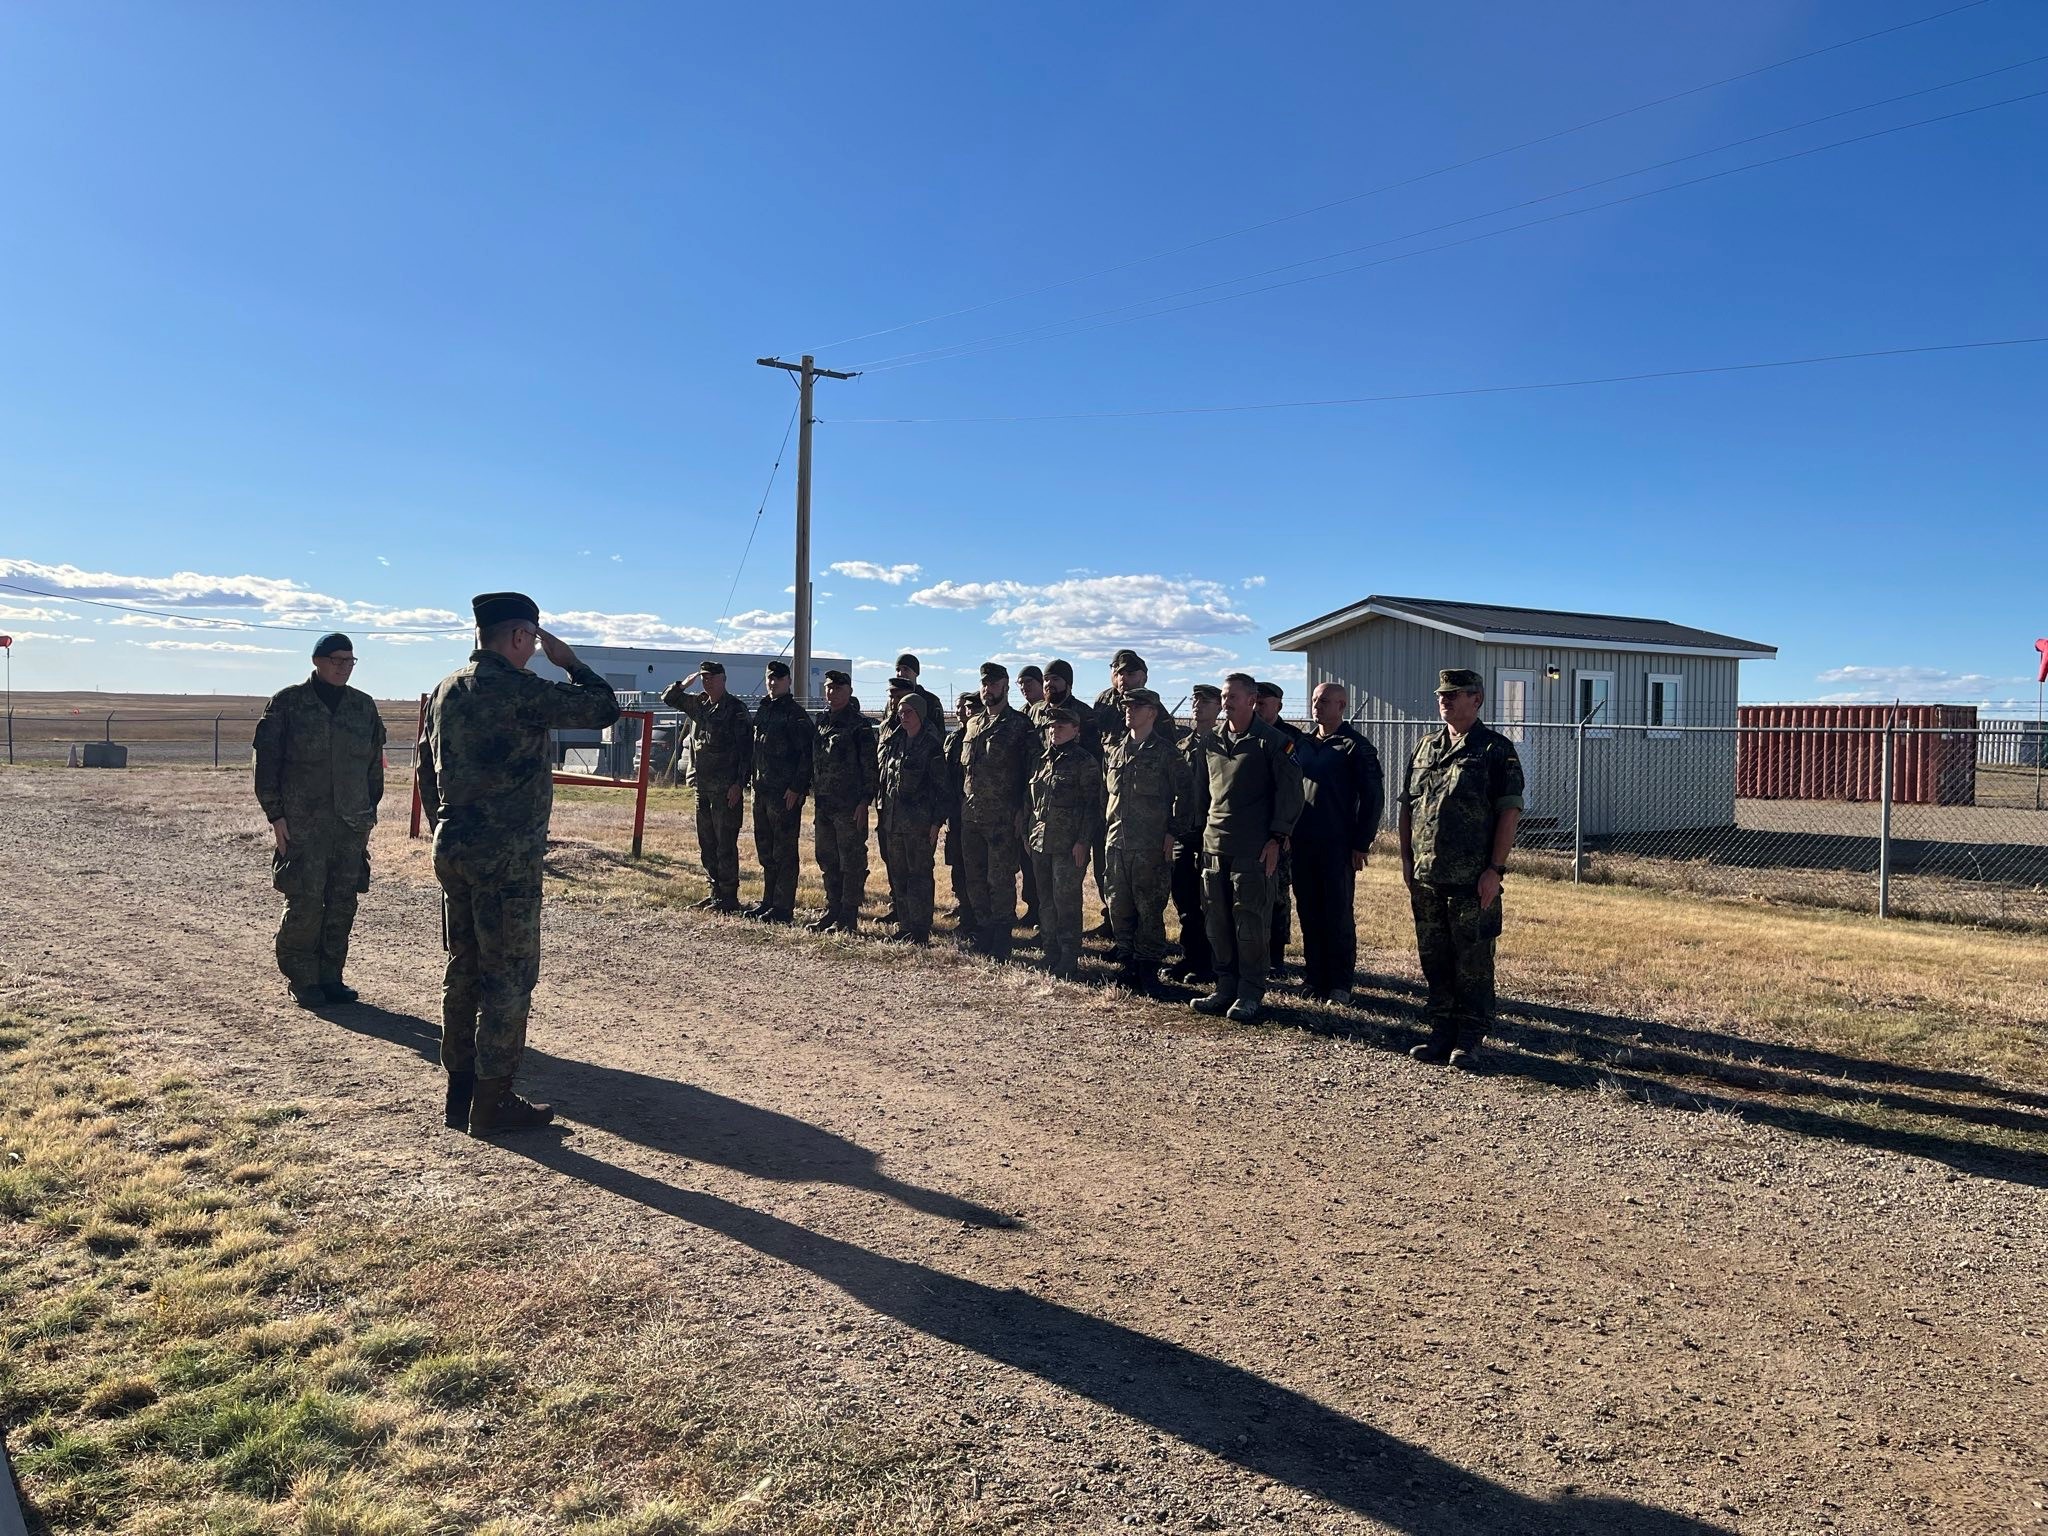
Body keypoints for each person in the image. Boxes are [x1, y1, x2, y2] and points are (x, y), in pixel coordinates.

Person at [418, 594, 619, 1135]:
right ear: (517, 637)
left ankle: (459, 1095)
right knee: (507, 977)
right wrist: (571, 662)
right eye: (531, 637)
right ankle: (493, 1101)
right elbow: (602, 709)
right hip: (503, 857)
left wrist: (446, 819)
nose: (533, 646)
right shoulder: (518, 688)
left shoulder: (446, 689)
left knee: (463, 968)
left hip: (454, 844)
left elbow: (423, 763)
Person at [252, 632, 387, 1009]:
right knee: (306, 903)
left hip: (350, 823)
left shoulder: (362, 707)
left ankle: (331, 977)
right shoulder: (289, 703)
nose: (344, 667)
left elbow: (372, 767)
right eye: (337, 660)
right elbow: (267, 763)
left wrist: (368, 814)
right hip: (302, 822)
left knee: (342, 902)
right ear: (317, 661)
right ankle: (302, 978)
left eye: (350, 661)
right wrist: (275, 814)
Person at [1401, 668, 1524, 1068]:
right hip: (1427, 877)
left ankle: (1469, 1037)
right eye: (1442, 695)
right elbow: (1408, 807)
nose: (1445, 700)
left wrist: (1495, 869)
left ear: (1477, 699)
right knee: (1434, 956)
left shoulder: (1494, 750)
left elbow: (1508, 813)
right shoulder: (1425, 748)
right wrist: (1406, 861)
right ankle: (1441, 1031)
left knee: (1472, 961)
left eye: (1454, 695)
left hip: (1472, 879)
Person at [1191, 672, 1303, 1025]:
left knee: (1250, 923)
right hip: (1214, 846)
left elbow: (1291, 795)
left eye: (1233, 696)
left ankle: (1250, 992)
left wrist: (1277, 839)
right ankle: (1225, 986)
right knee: (1217, 922)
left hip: (1253, 850)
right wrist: (1199, 836)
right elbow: (1201, 793)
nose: (1226, 702)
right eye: (1224, 696)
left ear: (1252, 699)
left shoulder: (1273, 742)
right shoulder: (1210, 742)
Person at [1292, 681, 1384, 1004]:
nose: (1317, 706)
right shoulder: (1302, 743)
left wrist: (1361, 842)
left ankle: (1340, 983)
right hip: (1302, 842)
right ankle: (1314, 977)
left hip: (1337, 845)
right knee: (1308, 911)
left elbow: (1373, 798)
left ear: (1342, 706)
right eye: (1315, 700)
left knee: (1337, 913)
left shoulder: (1354, 746)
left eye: (1325, 701)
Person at [1101, 687, 1195, 993]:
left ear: (1152, 713)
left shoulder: (1167, 753)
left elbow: (1186, 795)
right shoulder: (1116, 751)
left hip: (1150, 845)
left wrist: (1173, 831)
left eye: (1136, 706)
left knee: (1149, 908)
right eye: (1126, 706)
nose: (1128, 710)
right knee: (1118, 904)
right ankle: (1127, 960)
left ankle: (1147, 967)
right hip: (1117, 842)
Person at [958, 661, 1036, 958]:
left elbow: (1030, 772)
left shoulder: (1019, 725)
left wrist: (1022, 810)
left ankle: (1002, 934)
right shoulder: (974, 724)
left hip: (1002, 817)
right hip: (971, 814)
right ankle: (984, 929)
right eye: (984, 684)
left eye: (993, 683)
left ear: (1004, 685)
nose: (987, 689)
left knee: (1000, 878)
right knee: (975, 876)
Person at [661, 661, 753, 913]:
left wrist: (738, 784)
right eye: (704, 678)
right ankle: (714, 893)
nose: (707, 682)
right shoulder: (699, 705)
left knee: (725, 843)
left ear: (724, 679)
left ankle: (729, 898)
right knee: (707, 843)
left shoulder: (735, 710)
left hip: (726, 790)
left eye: (712, 677)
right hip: (702, 786)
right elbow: (668, 697)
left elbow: (747, 751)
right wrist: (684, 683)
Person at [1026, 705, 1104, 979]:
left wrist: (1083, 841)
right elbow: (1033, 802)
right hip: (1040, 842)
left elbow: (1091, 806)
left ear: (1076, 730)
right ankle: (1050, 952)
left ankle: (1069, 956)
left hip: (1068, 846)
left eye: (1061, 726)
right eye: (1051, 727)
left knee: (1066, 902)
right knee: (1045, 900)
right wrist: (1028, 834)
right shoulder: (1041, 760)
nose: (1054, 731)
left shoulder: (1085, 763)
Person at [809, 669, 876, 934]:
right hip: (825, 803)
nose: (832, 693)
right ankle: (833, 909)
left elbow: (870, 767)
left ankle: (848, 916)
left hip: (849, 806)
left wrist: (864, 801)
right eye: (828, 688)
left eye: (838, 688)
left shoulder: (859, 725)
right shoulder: (822, 721)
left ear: (849, 692)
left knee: (851, 861)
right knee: (828, 858)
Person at [878, 693, 948, 944]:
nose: (903, 717)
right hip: (894, 821)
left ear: (919, 714)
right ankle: (905, 924)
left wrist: (936, 821)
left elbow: (942, 788)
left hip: (919, 824)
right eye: (900, 712)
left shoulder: (930, 745)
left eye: (908, 712)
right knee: (899, 875)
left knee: (919, 875)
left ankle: (920, 929)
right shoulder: (895, 741)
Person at [1163, 683, 1221, 985]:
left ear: (1219, 708)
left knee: (1211, 900)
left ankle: (1211, 962)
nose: (1198, 704)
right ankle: (1190, 955)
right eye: (1196, 699)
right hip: (1185, 831)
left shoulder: (1224, 744)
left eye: (1206, 700)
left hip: (1213, 832)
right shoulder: (1182, 746)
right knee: (1184, 899)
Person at [747, 659, 812, 924]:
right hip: (762, 791)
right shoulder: (764, 710)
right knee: (766, 850)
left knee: (784, 853)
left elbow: (806, 755)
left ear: (788, 682)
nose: (773, 683)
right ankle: (768, 902)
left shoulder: (795, 715)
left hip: (784, 794)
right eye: (770, 679)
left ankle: (783, 908)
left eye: (779, 679)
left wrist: (797, 787)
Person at [1255, 680, 1305, 975]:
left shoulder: (1292, 739)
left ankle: (1275, 956)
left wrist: (1286, 830)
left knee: (1277, 893)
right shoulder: (1249, 735)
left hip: (1280, 829)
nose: (1258, 707)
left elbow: (1297, 791)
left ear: (1278, 706)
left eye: (1264, 703)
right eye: (1255, 701)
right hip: (1252, 828)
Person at [943, 689, 981, 933]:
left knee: (974, 866)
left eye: (970, 708)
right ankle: (963, 905)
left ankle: (975, 916)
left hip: (975, 811)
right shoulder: (954, 738)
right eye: (962, 707)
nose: (964, 712)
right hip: (954, 810)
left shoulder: (979, 737)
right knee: (957, 862)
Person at [1016, 665, 1045, 927]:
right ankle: (1032, 907)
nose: (1025, 688)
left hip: (1045, 796)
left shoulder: (1052, 713)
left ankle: (1041, 911)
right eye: (1020, 684)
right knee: (1026, 857)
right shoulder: (1022, 715)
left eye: (1029, 683)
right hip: (1025, 793)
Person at [894, 652, 947, 750]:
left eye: (906, 669)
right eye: (898, 670)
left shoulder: (930, 701)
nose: (900, 674)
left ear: (916, 673)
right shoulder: (893, 701)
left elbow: (939, 735)